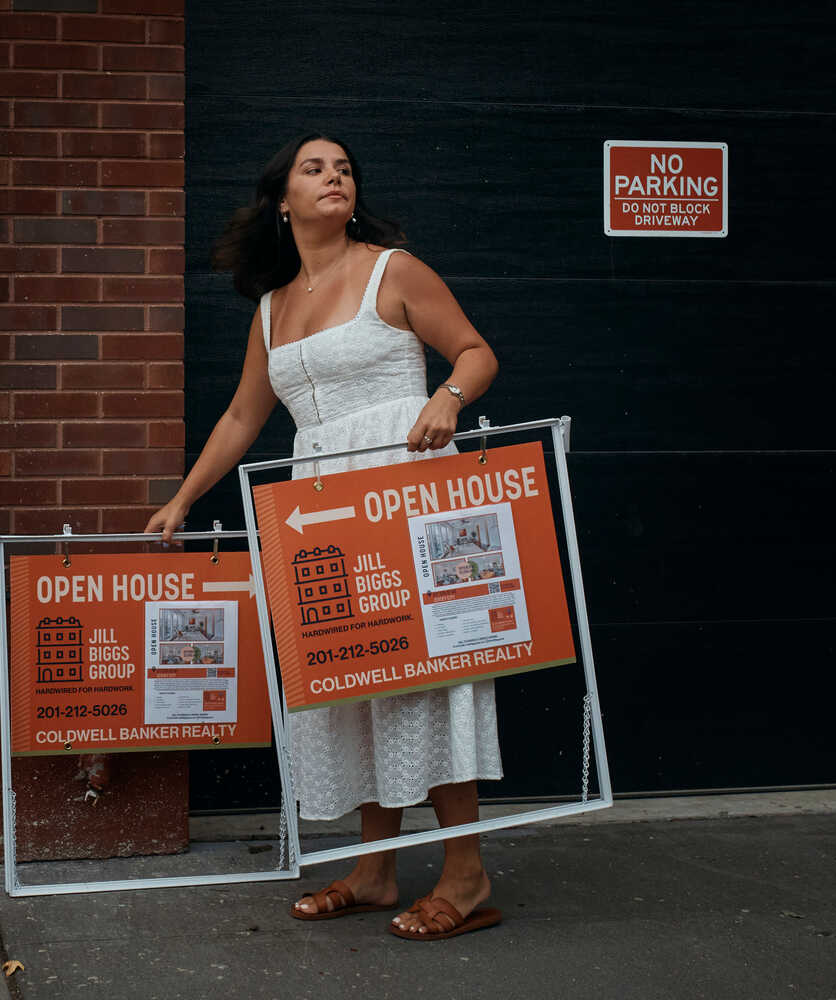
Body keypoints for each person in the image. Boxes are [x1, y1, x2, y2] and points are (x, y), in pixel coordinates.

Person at [144, 133, 502, 941]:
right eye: (315, 168)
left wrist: (447, 396)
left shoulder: (392, 268)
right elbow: (244, 415)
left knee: (423, 674)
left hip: (398, 489)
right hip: (319, 503)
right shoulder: (272, 309)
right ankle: (376, 872)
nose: (334, 176)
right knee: (350, 672)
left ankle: (467, 873)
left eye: (343, 168)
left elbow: (476, 352)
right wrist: (182, 500)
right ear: (283, 199)